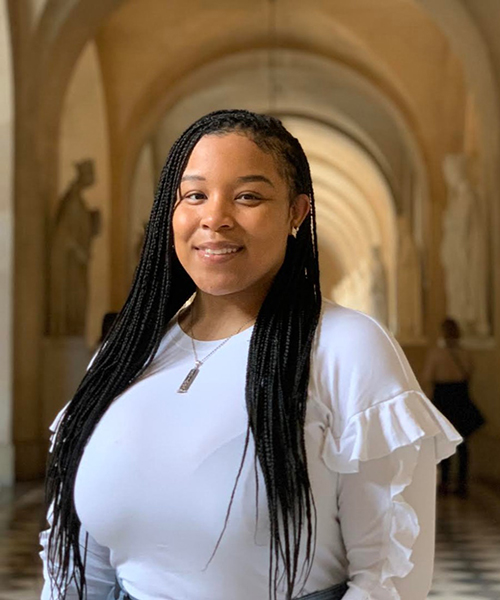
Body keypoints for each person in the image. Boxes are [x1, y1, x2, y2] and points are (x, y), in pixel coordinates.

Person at [40, 110, 460, 600]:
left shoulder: (346, 347)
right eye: (194, 195)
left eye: (248, 197)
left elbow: (390, 577)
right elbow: (77, 569)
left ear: (296, 213)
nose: (215, 218)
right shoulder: (125, 354)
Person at [422, 318, 484, 498]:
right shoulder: (465, 354)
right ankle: (462, 482)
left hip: (443, 399)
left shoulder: (436, 354)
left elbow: (427, 376)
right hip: (461, 398)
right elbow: (470, 373)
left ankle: (445, 481)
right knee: (463, 443)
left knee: (444, 441)